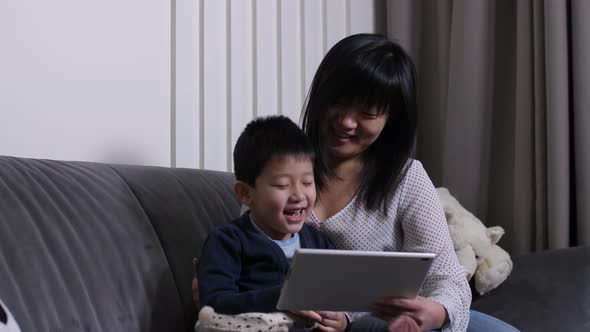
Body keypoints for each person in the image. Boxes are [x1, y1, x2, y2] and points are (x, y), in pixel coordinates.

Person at [194, 34, 519, 332]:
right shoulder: (279, 167)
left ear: (390, 119)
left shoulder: (407, 179)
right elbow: (245, 264)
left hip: (396, 319)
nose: (347, 122)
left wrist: (434, 312)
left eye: (367, 112)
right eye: (339, 102)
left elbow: (446, 277)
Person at [196, 115, 350, 331]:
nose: (298, 195)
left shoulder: (318, 242)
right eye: (282, 185)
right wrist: (280, 299)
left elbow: (338, 295)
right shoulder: (227, 241)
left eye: (307, 182)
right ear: (246, 194)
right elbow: (214, 302)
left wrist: (341, 320)